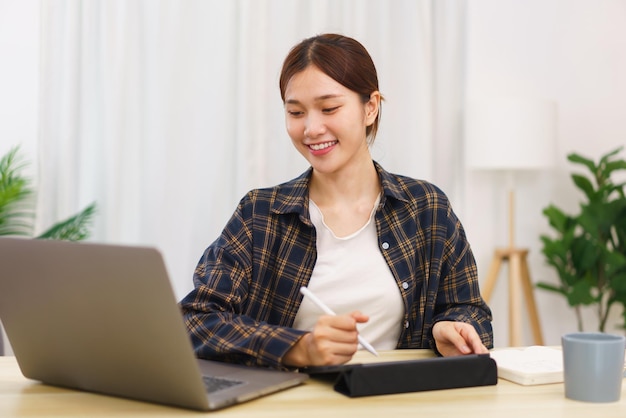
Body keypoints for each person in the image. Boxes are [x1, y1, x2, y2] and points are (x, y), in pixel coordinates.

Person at [179, 33, 493, 370]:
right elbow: (195, 322)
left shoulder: (426, 208)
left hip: (399, 401)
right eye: (296, 112)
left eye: (329, 108)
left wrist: (446, 329)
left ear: (370, 108)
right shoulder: (260, 214)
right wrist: (299, 347)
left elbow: (471, 311)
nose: (312, 129)